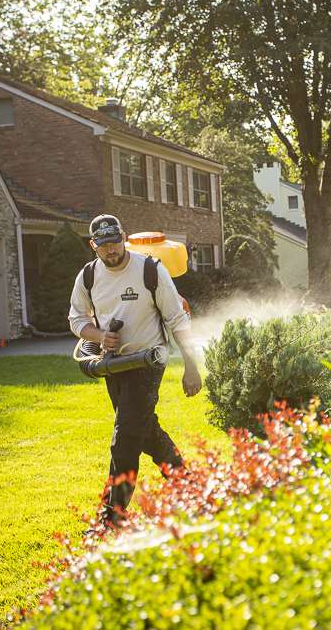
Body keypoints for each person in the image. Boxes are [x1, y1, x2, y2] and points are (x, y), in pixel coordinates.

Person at [68, 214, 202, 527]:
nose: (111, 250)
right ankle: (187, 482)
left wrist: (191, 367)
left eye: (115, 242)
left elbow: (177, 320)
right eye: (104, 245)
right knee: (144, 431)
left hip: (147, 362)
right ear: (94, 245)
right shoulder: (88, 276)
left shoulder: (150, 270)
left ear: (124, 237)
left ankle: (114, 515)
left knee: (124, 438)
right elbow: (76, 319)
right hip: (113, 365)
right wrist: (100, 336)